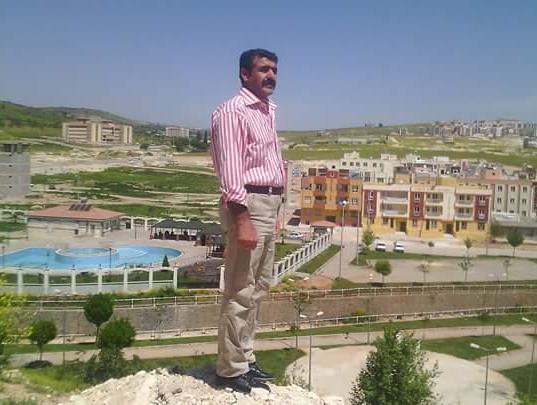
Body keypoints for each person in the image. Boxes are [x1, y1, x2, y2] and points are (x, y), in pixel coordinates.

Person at [210, 48, 284, 393]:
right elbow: (231, 170)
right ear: (244, 73)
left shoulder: (267, 110)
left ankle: (246, 359)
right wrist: (242, 218)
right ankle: (230, 369)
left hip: (268, 204)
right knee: (240, 290)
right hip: (248, 205)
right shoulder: (232, 111)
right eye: (264, 69)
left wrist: (278, 209)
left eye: (274, 70)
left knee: (257, 289)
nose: (271, 75)